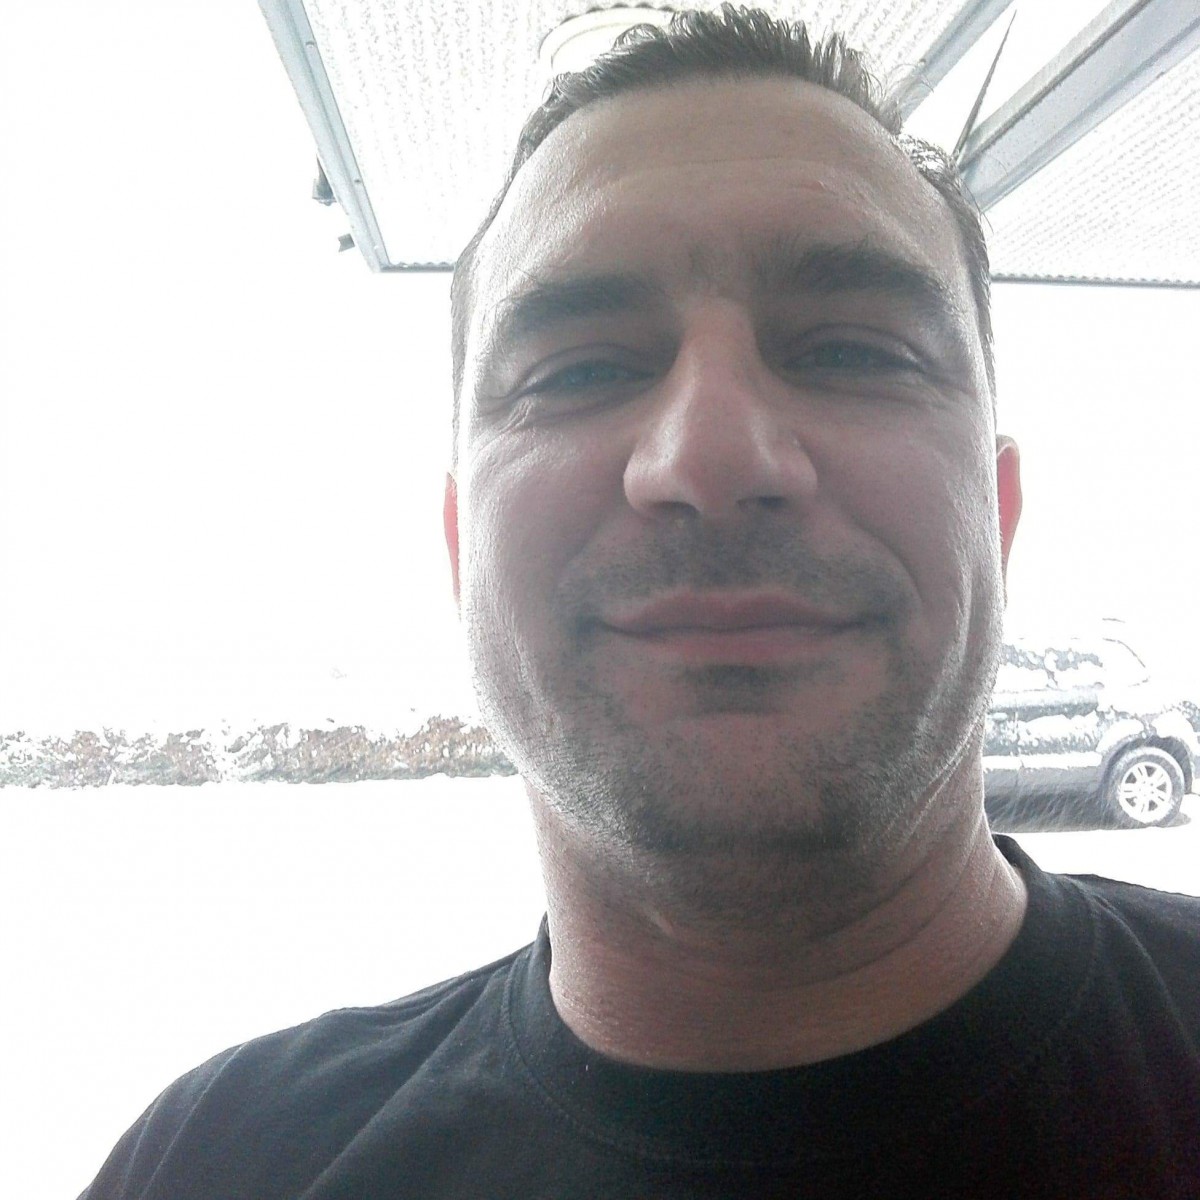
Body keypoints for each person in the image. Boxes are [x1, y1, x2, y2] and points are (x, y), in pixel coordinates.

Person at [82, 7, 1199, 1197]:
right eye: (582, 368)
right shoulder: (216, 1162)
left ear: (998, 513)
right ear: (463, 550)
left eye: (853, 350)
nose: (711, 454)